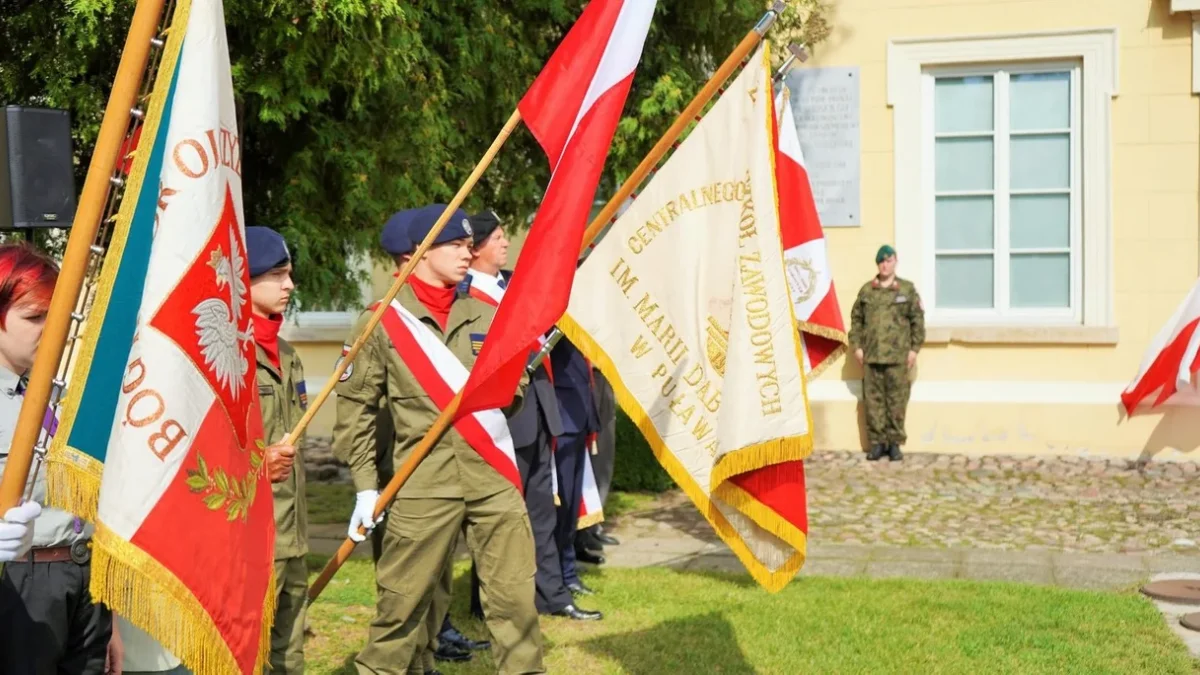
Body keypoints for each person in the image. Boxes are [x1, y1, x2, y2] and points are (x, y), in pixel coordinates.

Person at [333, 205, 544, 675]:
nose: (468, 253)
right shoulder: (383, 320)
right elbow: (356, 411)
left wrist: (509, 387)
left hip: (492, 477)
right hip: (422, 483)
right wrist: (367, 487)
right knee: (401, 610)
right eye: (455, 245)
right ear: (418, 252)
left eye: (470, 245)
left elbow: (517, 392)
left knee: (515, 606)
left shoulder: (487, 314)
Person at [464, 210, 601, 621]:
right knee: (498, 516)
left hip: (540, 410)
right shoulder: (467, 297)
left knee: (541, 511)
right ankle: (485, 599)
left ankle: (552, 596)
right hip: (506, 419)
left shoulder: (510, 287)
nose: (506, 243)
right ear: (477, 248)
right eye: (499, 238)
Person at [0, 241, 122, 674]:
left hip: (83, 579)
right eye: (34, 317)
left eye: (57, 316)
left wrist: (108, 620)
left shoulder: (57, 397)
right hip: (22, 583)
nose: (50, 329)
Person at [246, 226, 310, 673]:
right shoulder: (226, 356)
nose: (289, 285)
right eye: (276, 275)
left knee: (289, 652)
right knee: (249, 653)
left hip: (292, 531)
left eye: (289, 274)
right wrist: (255, 463)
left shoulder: (287, 354)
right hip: (249, 534)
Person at [849, 245, 925, 462]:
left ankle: (894, 444)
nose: (885, 264)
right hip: (871, 356)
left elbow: (917, 321)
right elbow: (856, 320)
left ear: (895, 262)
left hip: (898, 357)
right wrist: (857, 347)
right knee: (873, 402)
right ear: (878, 264)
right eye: (881, 261)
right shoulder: (866, 291)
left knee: (897, 400)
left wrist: (914, 349)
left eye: (889, 260)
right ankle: (877, 443)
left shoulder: (906, 290)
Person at [549, 336, 603, 595]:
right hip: (561, 420)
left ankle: (567, 571)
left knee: (570, 509)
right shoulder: (555, 315)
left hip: (578, 418)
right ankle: (556, 575)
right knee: (560, 509)